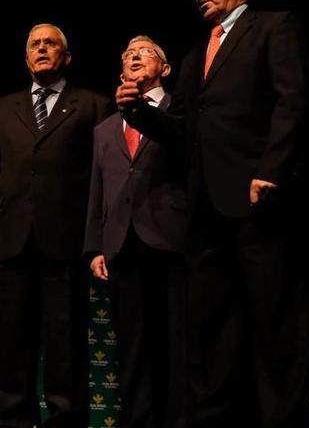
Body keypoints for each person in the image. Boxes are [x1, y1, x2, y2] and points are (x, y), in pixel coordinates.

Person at [119, 0, 309, 428]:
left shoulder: (273, 26)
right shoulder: (191, 57)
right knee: (211, 331)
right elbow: (182, 128)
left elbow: (293, 101)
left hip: (256, 200)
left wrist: (272, 168)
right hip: (204, 213)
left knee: (272, 324)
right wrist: (139, 113)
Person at [0, 23, 112, 428]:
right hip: (11, 241)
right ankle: (13, 419)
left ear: (66, 57)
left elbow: (102, 179)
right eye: (35, 44)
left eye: (51, 43)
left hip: (65, 243)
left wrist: (96, 238)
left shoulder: (92, 104)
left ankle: (67, 419)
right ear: (26, 57)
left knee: (64, 338)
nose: (42, 48)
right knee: (13, 340)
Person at [84, 36, 187, 428]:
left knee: (175, 342)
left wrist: (139, 112)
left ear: (166, 68)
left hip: (170, 238)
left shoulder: (181, 107)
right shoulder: (105, 128)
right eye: (127, 54)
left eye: (145, 52)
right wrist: (95, 246)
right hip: (122, 244)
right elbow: (98, 188)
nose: (134, 57)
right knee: (132, 347)